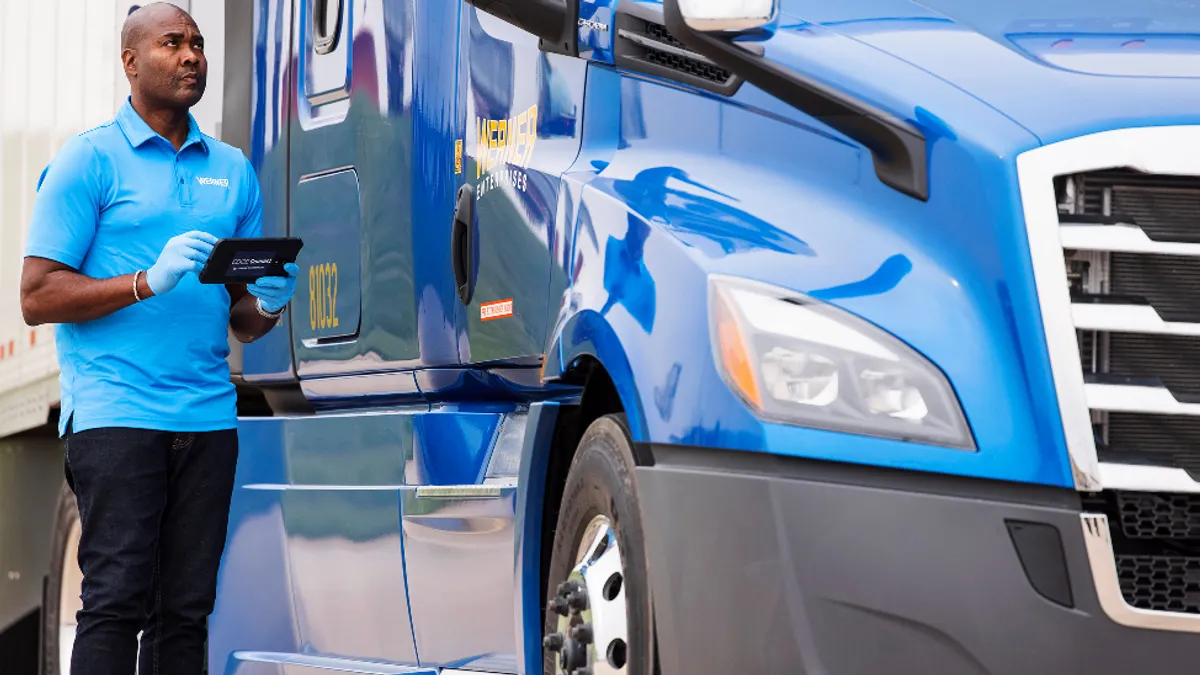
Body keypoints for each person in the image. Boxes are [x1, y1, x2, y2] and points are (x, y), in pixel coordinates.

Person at [18, 4, 297, 674]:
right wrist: (146, 279)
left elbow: (241, 315)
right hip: (117, 416)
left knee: (188, 612)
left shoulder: (232, 171)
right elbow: (37, 295)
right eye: (172, 43)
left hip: (206, 418)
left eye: (198, 43)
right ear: (131, 61)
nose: (191, 55)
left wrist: (270, 303)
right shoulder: (88, 161)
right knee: (116, 602)